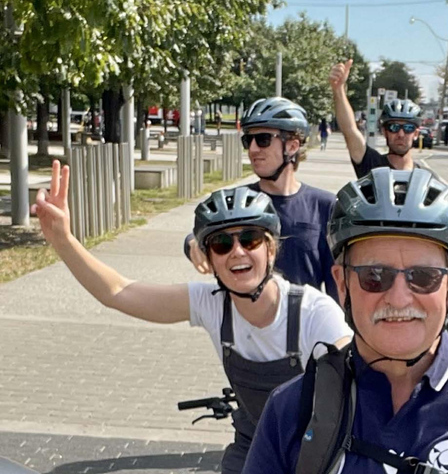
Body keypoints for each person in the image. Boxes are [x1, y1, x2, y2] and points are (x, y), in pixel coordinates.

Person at [243, 167, 448, 474]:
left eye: (424, 276)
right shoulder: (292, 409)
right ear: (342, 284)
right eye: (374, 276)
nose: (399, 298)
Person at [32, 164, 353, 474]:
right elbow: (118, 292)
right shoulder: (211, 304)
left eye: (250, 239)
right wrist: (63, 239)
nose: (237, 251)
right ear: (209, 259)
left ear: (271, 250)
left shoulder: (313, 312)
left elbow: (360, 377)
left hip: (315, 448)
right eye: (222, 244)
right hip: (253, 445)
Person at [184, 97, 339, 301]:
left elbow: (336, 288)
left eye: (263, 139)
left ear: (292, 146)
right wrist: (194, 242)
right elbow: (198, 235)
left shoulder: (324, 206)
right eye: (248, 140)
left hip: (304, 325)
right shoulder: (239, 201)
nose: (253, 149)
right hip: (244, 326)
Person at [329, 59, 427, 178]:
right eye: (394, 127)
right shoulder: (372, 164)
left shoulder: (425, 179)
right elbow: (350, 130)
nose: (401, 134)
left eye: (408, 128)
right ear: (384, 132)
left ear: (416, 133)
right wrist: (338, 90)